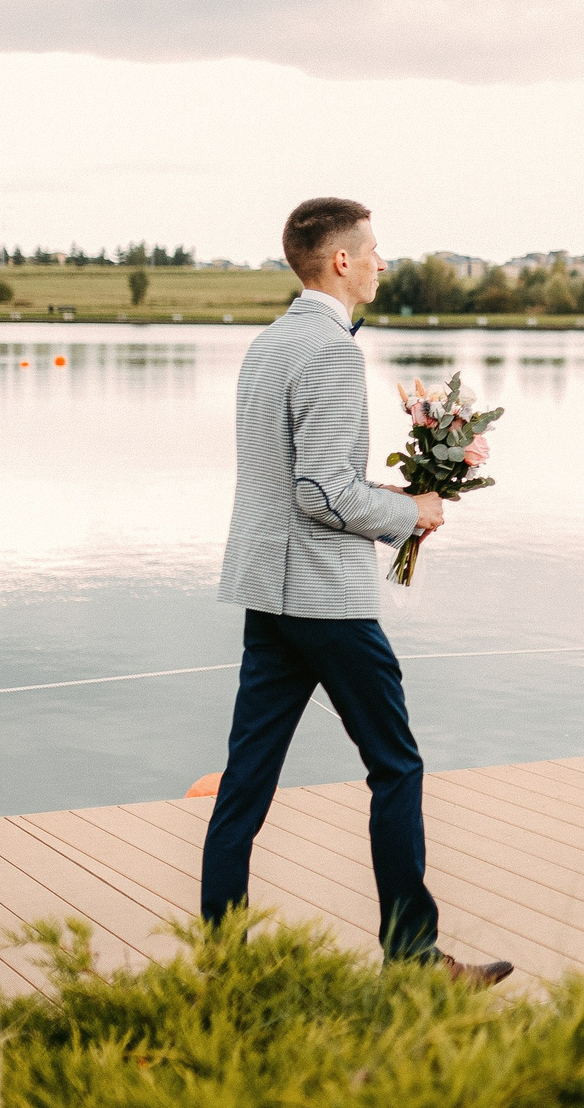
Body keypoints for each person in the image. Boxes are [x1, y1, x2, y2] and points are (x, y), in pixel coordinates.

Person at [200, 196, 513, 986]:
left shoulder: (271, 344)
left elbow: (299, 478)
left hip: (267, 594)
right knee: (396, 766)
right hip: (324, 599)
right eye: (374, 250)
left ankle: (219, 963)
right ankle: (412, 959)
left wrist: (387, 499)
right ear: (340, 261)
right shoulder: (334, 353)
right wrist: (412, 511)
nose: (382, 261)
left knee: (245, 781)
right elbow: (319, 490)